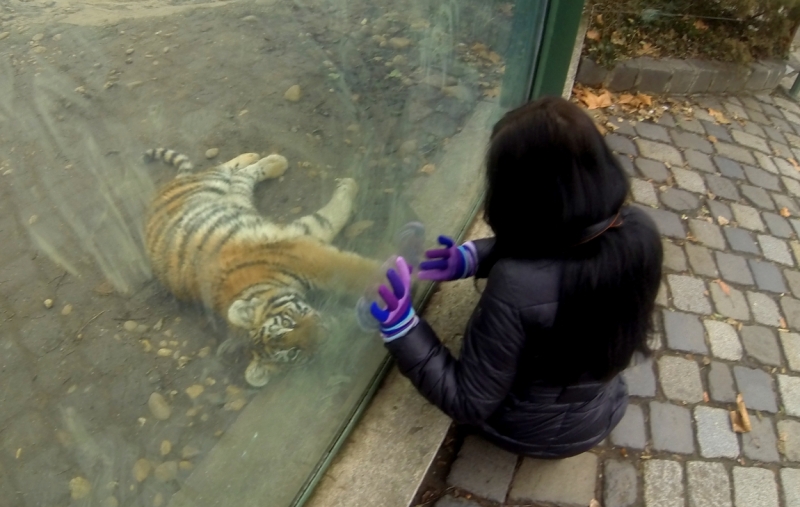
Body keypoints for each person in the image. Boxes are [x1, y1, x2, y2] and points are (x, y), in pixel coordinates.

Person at [368, 95, 663, 458]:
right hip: (604, 408)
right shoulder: (639, 230)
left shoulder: (516, 285)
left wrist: (403, 330)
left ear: (522, 201)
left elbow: (468, 402)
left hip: (528, 432)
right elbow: (559, 244)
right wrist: (471, 258)